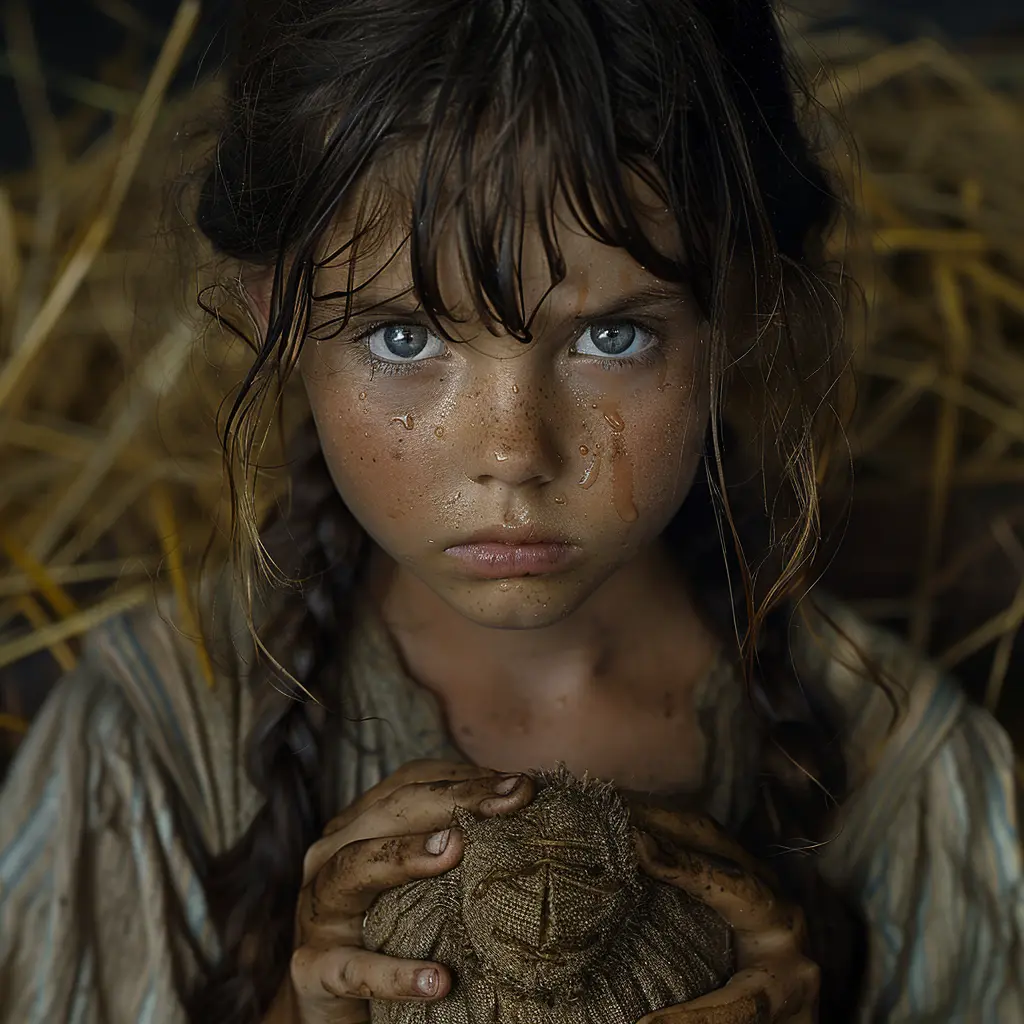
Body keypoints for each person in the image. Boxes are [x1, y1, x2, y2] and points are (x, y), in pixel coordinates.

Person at [0, 0, 1020, 1021]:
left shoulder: (915, 783)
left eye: (611, 339)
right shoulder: (144, 750)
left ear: (738, 309)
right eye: (404, 339)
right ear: (275, 312)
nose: (510, 456)